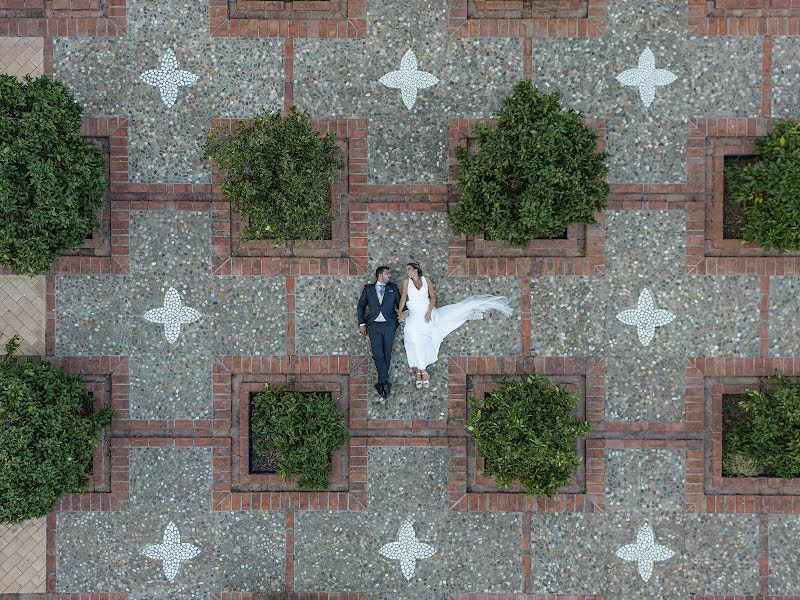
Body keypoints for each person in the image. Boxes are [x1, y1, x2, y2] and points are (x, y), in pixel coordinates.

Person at [396, 262, 513, 389]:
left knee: (424, 339)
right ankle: (423, 371)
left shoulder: (426, 280)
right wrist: (400, 311)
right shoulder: (406, 282)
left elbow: (433, 297)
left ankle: (420, 371)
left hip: (426, 312)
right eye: (406, 270)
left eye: (409, 269)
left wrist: (429, 311)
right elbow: (403, 298)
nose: (407, 271)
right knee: (414, 337)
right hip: (413, 314)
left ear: (416, 269)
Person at [357, 266, 406, 398]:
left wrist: (404, 313)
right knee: (377, 353)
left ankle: (382, 382)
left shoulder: (393, 288)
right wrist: (362, 324)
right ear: (380, 275)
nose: (389, 275)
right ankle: (384, 383)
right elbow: (361, 306)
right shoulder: (368, 289)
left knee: (387, 354)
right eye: (387, 273)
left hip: (389, 325)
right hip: (373, 326)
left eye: (389, 273)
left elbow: (401, 304)